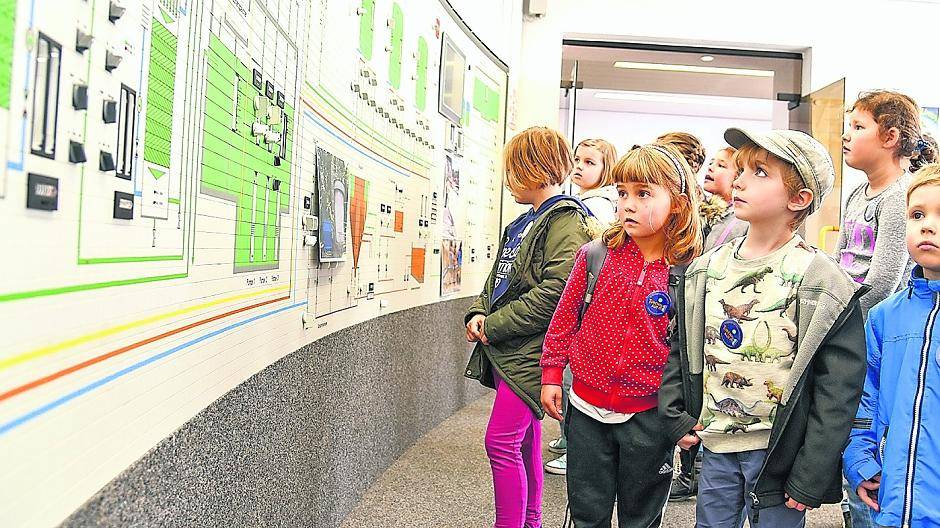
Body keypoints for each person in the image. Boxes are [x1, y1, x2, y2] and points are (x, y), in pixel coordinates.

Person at [659, 128, 867, 528]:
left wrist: (811, 472)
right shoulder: (706, 269)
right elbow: (681, 346)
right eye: (739, 169)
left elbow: (837, 389)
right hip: (716, 443)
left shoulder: (821, 280)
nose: (738, 180)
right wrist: (675, 415)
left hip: (778, 455)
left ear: (798, 199)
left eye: (758, 171)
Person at [540, 144, 702, 527]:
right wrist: (551, 374)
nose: (628, 204)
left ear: (677, 203)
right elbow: (564, 319)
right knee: (587, 513)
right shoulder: (596, 254)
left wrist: (685, 413)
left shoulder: (689, 270)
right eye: (623, 193)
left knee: (641, 517)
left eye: (643, 193)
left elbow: (692, 349)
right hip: (586, 408)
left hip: (649, 415)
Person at [464, 126, 593, 528]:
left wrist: (494, 325)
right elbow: (496, 280)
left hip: (530, 351)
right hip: (509, 348)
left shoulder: (567, 222)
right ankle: (531, 521)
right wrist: (476, 312)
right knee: (521, 442)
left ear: (535, 169)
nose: (507, 180)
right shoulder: (522, 223)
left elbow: (558, 292)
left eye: (513, 170)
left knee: (500, 442)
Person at [837, 90, 939, 528]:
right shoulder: (887, 319)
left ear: (892, 137)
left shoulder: (895, 194)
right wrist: (861, 463)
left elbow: (879, 277)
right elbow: (866, 400)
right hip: (891, 497)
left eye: (858, 126)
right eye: (918, 215)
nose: (927, 225)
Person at [671, 145, 750, 501]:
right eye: (713, 163)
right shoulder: (711, 216)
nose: (713, 169)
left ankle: (699, 474)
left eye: (723, 166)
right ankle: (689, 470)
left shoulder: (740, 223)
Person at [544, 137, 618, 476]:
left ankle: (574, 447)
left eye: (590, 162)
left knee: (577, 384)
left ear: (606, 170)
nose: (579, 166)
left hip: (591, 305)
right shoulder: (581, 201)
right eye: (577, 159)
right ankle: (568, 439)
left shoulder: (598, 206)